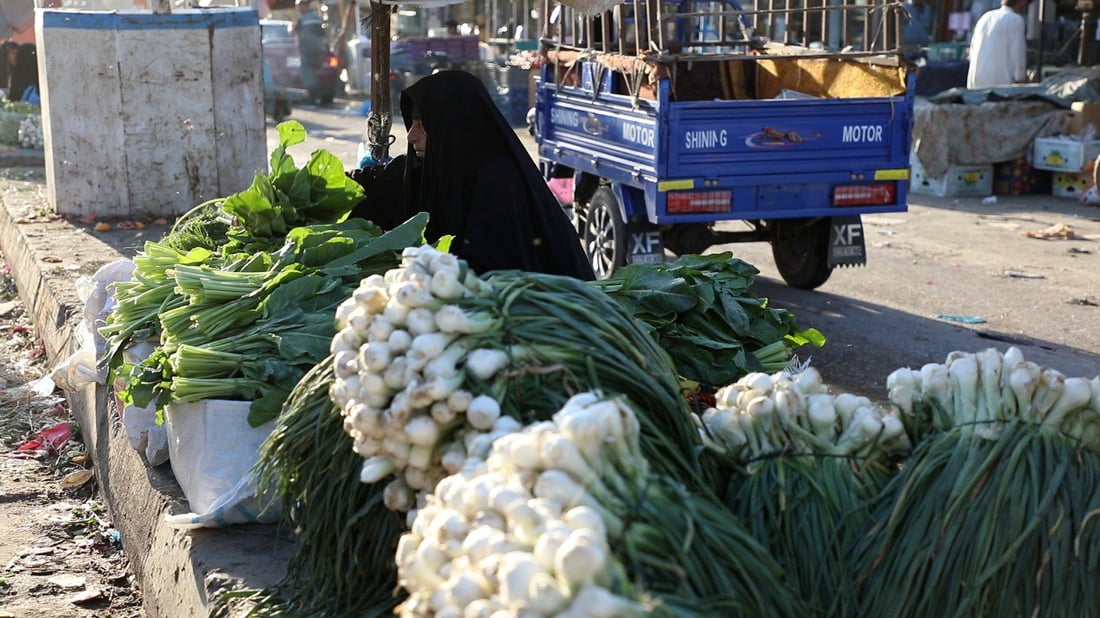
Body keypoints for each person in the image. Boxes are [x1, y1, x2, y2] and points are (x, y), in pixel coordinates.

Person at [347, 69, 595, 281]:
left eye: (422, 124)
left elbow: (490, 272)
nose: (411, 136)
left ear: (453, 126)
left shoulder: (497, 182)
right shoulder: (432, 168)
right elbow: (377, 186)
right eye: (411, 124)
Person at [966, 0, 1029, 89]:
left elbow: (972, 51)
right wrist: (1020, 78)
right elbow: (1017, 53)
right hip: (1000, 83)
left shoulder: (985, 17)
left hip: (976, 80)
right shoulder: (1016, 20)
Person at [291, 0, 325, 105]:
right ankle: (319, 97)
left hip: (306, 51)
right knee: (318, 74)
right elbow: (323, 34)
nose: (298, 9)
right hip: (319, 50)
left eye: (299, 6)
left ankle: (312, 99)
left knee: (308, 75)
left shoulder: (302, 19)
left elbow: (294, 32)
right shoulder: (316, 17)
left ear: (303, 6)